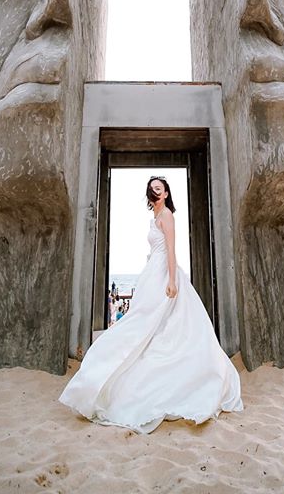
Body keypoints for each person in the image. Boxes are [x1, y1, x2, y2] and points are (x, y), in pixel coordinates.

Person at [59, 176, 243, 433]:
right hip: (152, 272)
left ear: (166, 193)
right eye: (152, 188)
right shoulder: (155, 216)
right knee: (147, 325)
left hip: (164, 274)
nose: (154, 191)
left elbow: (171, 249)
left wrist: (172, 280)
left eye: (159, 188)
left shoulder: (166, 215)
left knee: (161, 325)